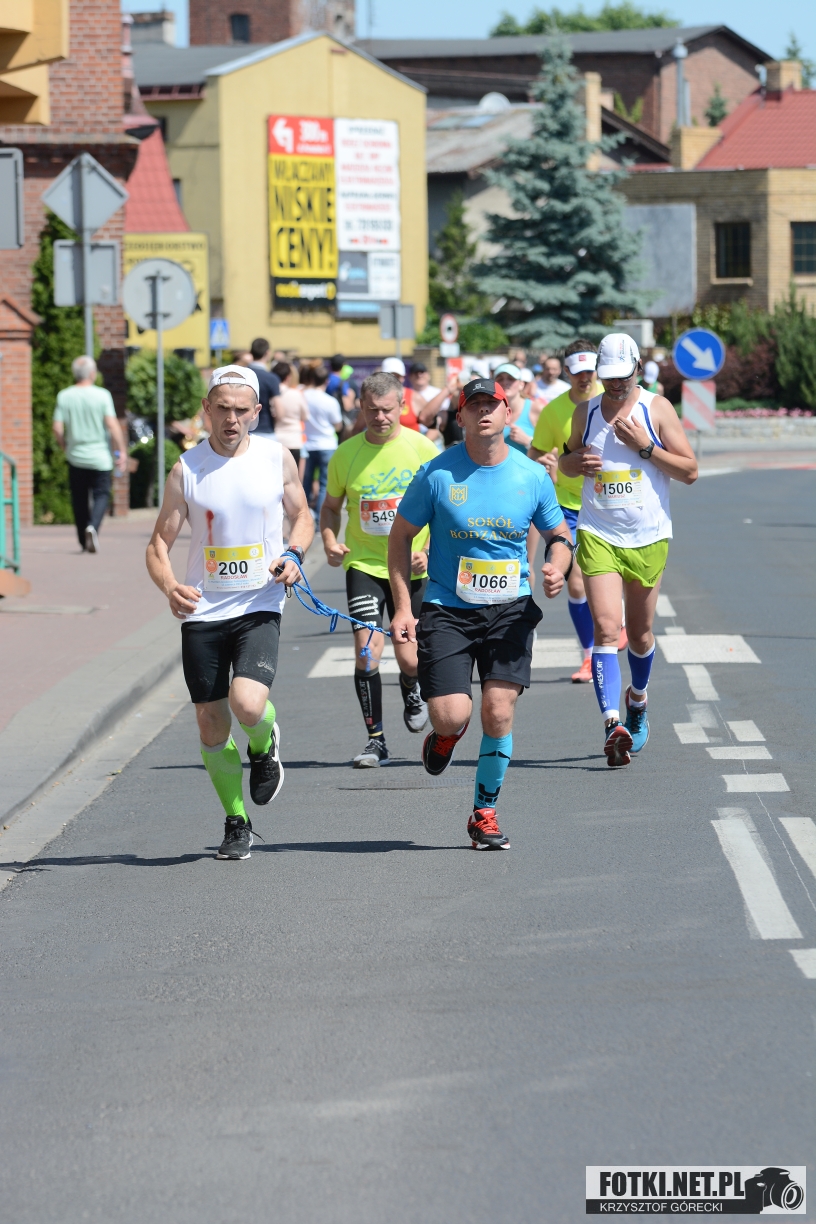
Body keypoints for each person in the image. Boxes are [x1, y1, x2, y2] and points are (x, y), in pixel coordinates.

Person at [388, 377, 573, 850]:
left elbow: (559, 536)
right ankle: (445, 736)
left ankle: (484, 813)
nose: (484, 412)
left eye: (493, 405)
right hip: (448, 609)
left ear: (509, 413)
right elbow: (400, 536)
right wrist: (404, 607)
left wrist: (557, 565)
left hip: (511, 609)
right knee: (451, 715)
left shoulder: (531, 475)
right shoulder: (436, 474)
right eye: (475, 406)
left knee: (497, 710)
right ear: (461, 417)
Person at [146, 364, 314, 860]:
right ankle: (236, 820)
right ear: (207, 409)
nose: (231, 419)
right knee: (210, 723)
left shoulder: (275, 457)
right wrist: (169, 586)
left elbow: (301, 515)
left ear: (257, 412)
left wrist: (295, 554)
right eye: (222, 409)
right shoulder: (187, 468)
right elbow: (157, 544)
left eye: (242, 410)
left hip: (259, 601)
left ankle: (263, 743)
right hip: (204, 609)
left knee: (248, 704)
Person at [559, 334, 697, 768]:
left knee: (639, 634)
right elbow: (564, 462)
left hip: (648, 537)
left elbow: (690, 471)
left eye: (623, 376)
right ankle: (612, 724)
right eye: (608, 377)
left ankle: (637, 699)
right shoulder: (585, 412)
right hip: (598, 533)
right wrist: (574, 463)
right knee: (606, 628)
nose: (616, 384)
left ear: (638, 367)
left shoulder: (656, 409)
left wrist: (646, 448)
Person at [321, 372, 439, 767]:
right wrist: (329, 540)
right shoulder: (345, 454)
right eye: (372, 410)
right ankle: (376, 741)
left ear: (402, 406)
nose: (380, 418)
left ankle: (411, 685)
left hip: (411, 567)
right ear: (361, 407)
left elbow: (445, 509)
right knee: (367, 653)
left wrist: (429, 550)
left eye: (388, 410)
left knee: (411, 659)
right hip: (365, 565)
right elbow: (330, 507)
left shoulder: (422, 448)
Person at [529, 340, 604, 682]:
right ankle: (588, 656)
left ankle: (615, 623)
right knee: (576, 584)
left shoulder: (614, 399)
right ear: (567, 372)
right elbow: (535, 452)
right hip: (569, 506)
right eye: (577, 372)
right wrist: (543, 459)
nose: (584, 378)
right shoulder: (554, 410)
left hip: (608, 503)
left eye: (590, 371)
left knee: (608, 575)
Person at [52, 356, 127, 553]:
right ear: (93, 374)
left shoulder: (64, 396)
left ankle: (82, 540)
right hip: (100, 458)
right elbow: (112, 425)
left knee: (79, 499)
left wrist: (65, 446)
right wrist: (122, 451)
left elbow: (57, 428)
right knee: (102, 494)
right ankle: (92, 526)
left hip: (75, 457)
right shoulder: (102, 395)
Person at [300, 361, 342, 518]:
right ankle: (320, 519)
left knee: (305, 484)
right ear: (327, 381)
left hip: (307, 444)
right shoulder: (330, 401)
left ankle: (304, 517)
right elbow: (338, 425)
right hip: (327, 444)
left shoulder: (303, 396)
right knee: (325, 485)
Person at [272, 361, 309, 474]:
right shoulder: (296, 394)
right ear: (288, 377)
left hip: (275, 439)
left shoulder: (271, 393)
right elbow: (305, 416)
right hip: (294, 440)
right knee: (292, 477)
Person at [494, 362, 539, 452]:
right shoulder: (488, 410)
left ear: (521, 384)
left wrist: (528, 441)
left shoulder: (536, 409)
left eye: (511, 379)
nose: (505, 383)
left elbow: (556, 449)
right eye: (500, 379)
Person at [247, 338, 282, 434]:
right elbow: (279, 411)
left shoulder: (242, 375)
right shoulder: (271, 378)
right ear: (267, 353)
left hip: (245, 429)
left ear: (251, 352)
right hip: (266, 429)